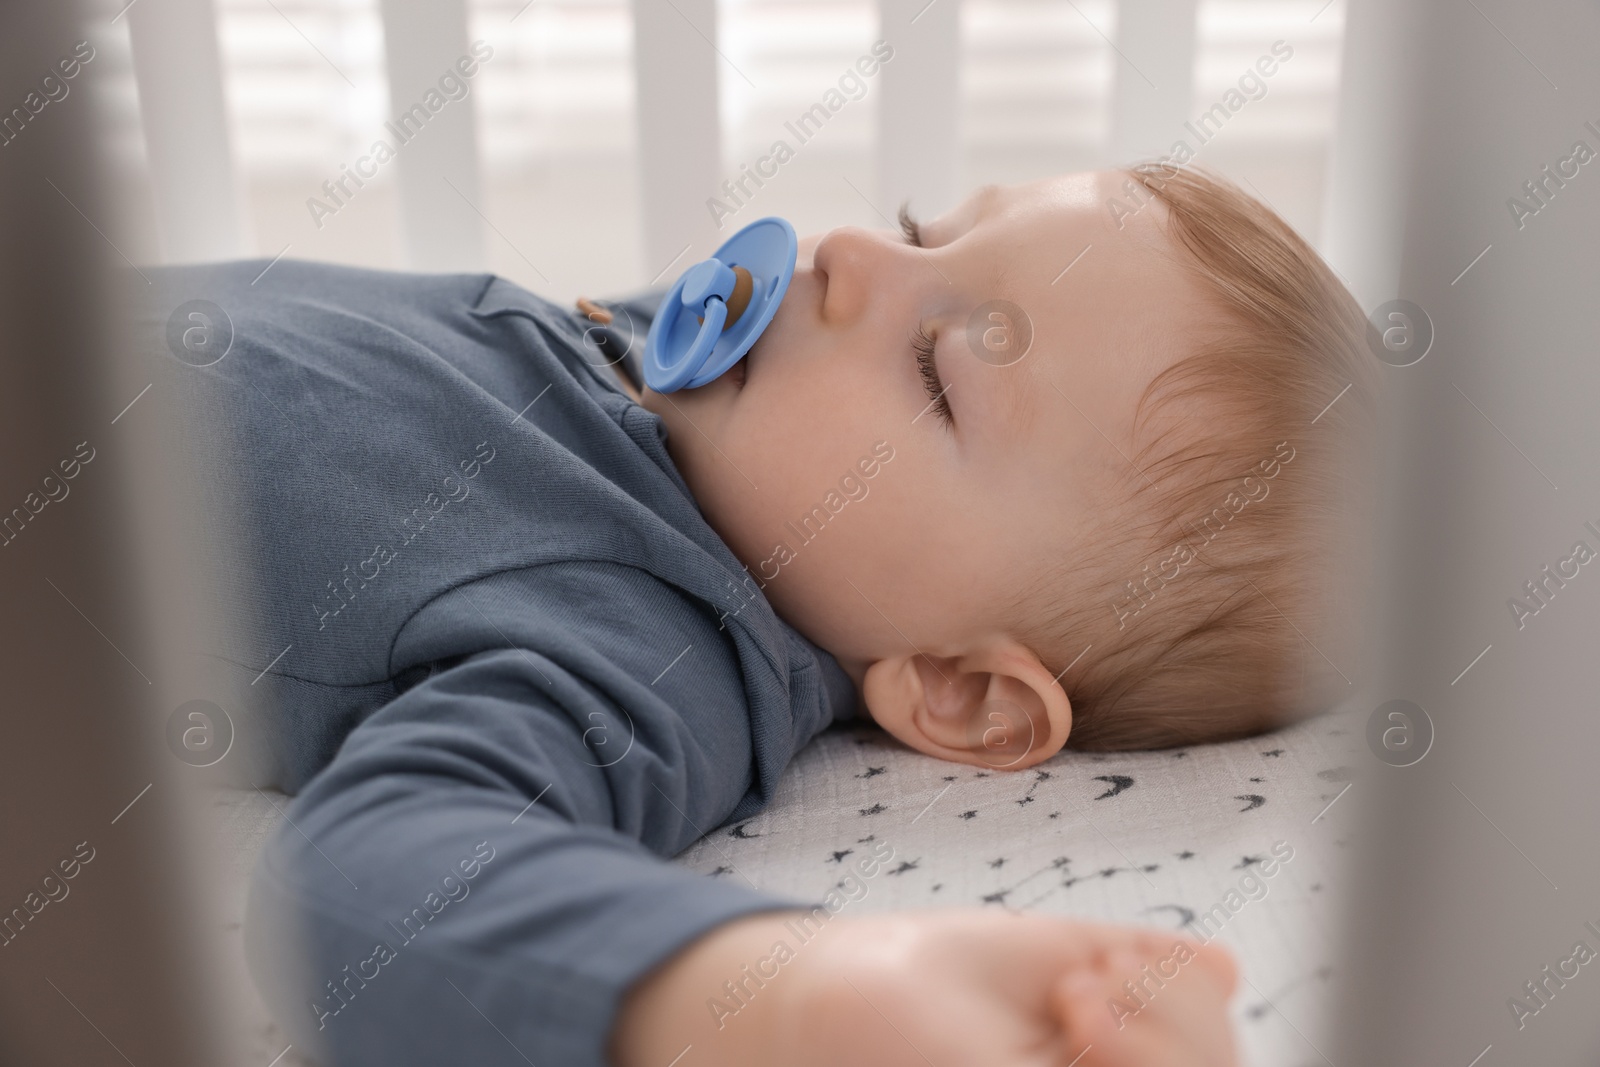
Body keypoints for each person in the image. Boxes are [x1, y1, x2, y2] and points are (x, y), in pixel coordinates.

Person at [144, 165, 1370, 1066]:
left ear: (959, 687)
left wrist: (768, 997)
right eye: (920, 234)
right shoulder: (684, 391)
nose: (848, 254)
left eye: (939, 373)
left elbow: (376, 883)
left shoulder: (628, 640)